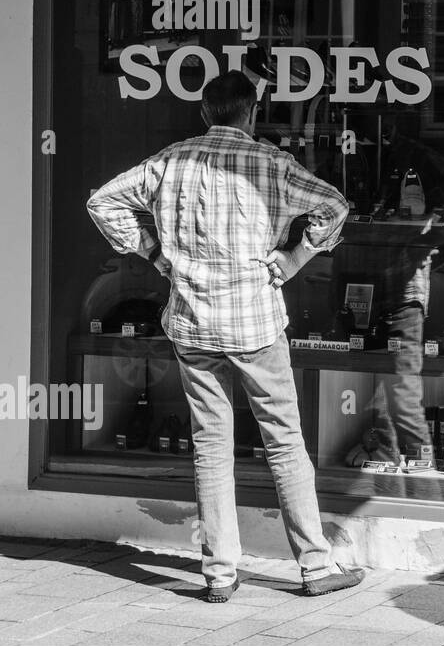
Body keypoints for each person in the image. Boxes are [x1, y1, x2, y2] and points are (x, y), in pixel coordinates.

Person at [87, 70, 365, 603]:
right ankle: (314, 566)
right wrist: (297, 255)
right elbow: (334, 205)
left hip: (193, 324)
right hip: (256, 324)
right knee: (283, 440)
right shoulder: (272, 163)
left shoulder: (170, 162)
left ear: (204, 113)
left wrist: (153, 253)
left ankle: (219, 573)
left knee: (211, 447)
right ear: (253, 111)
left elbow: (102, 202)